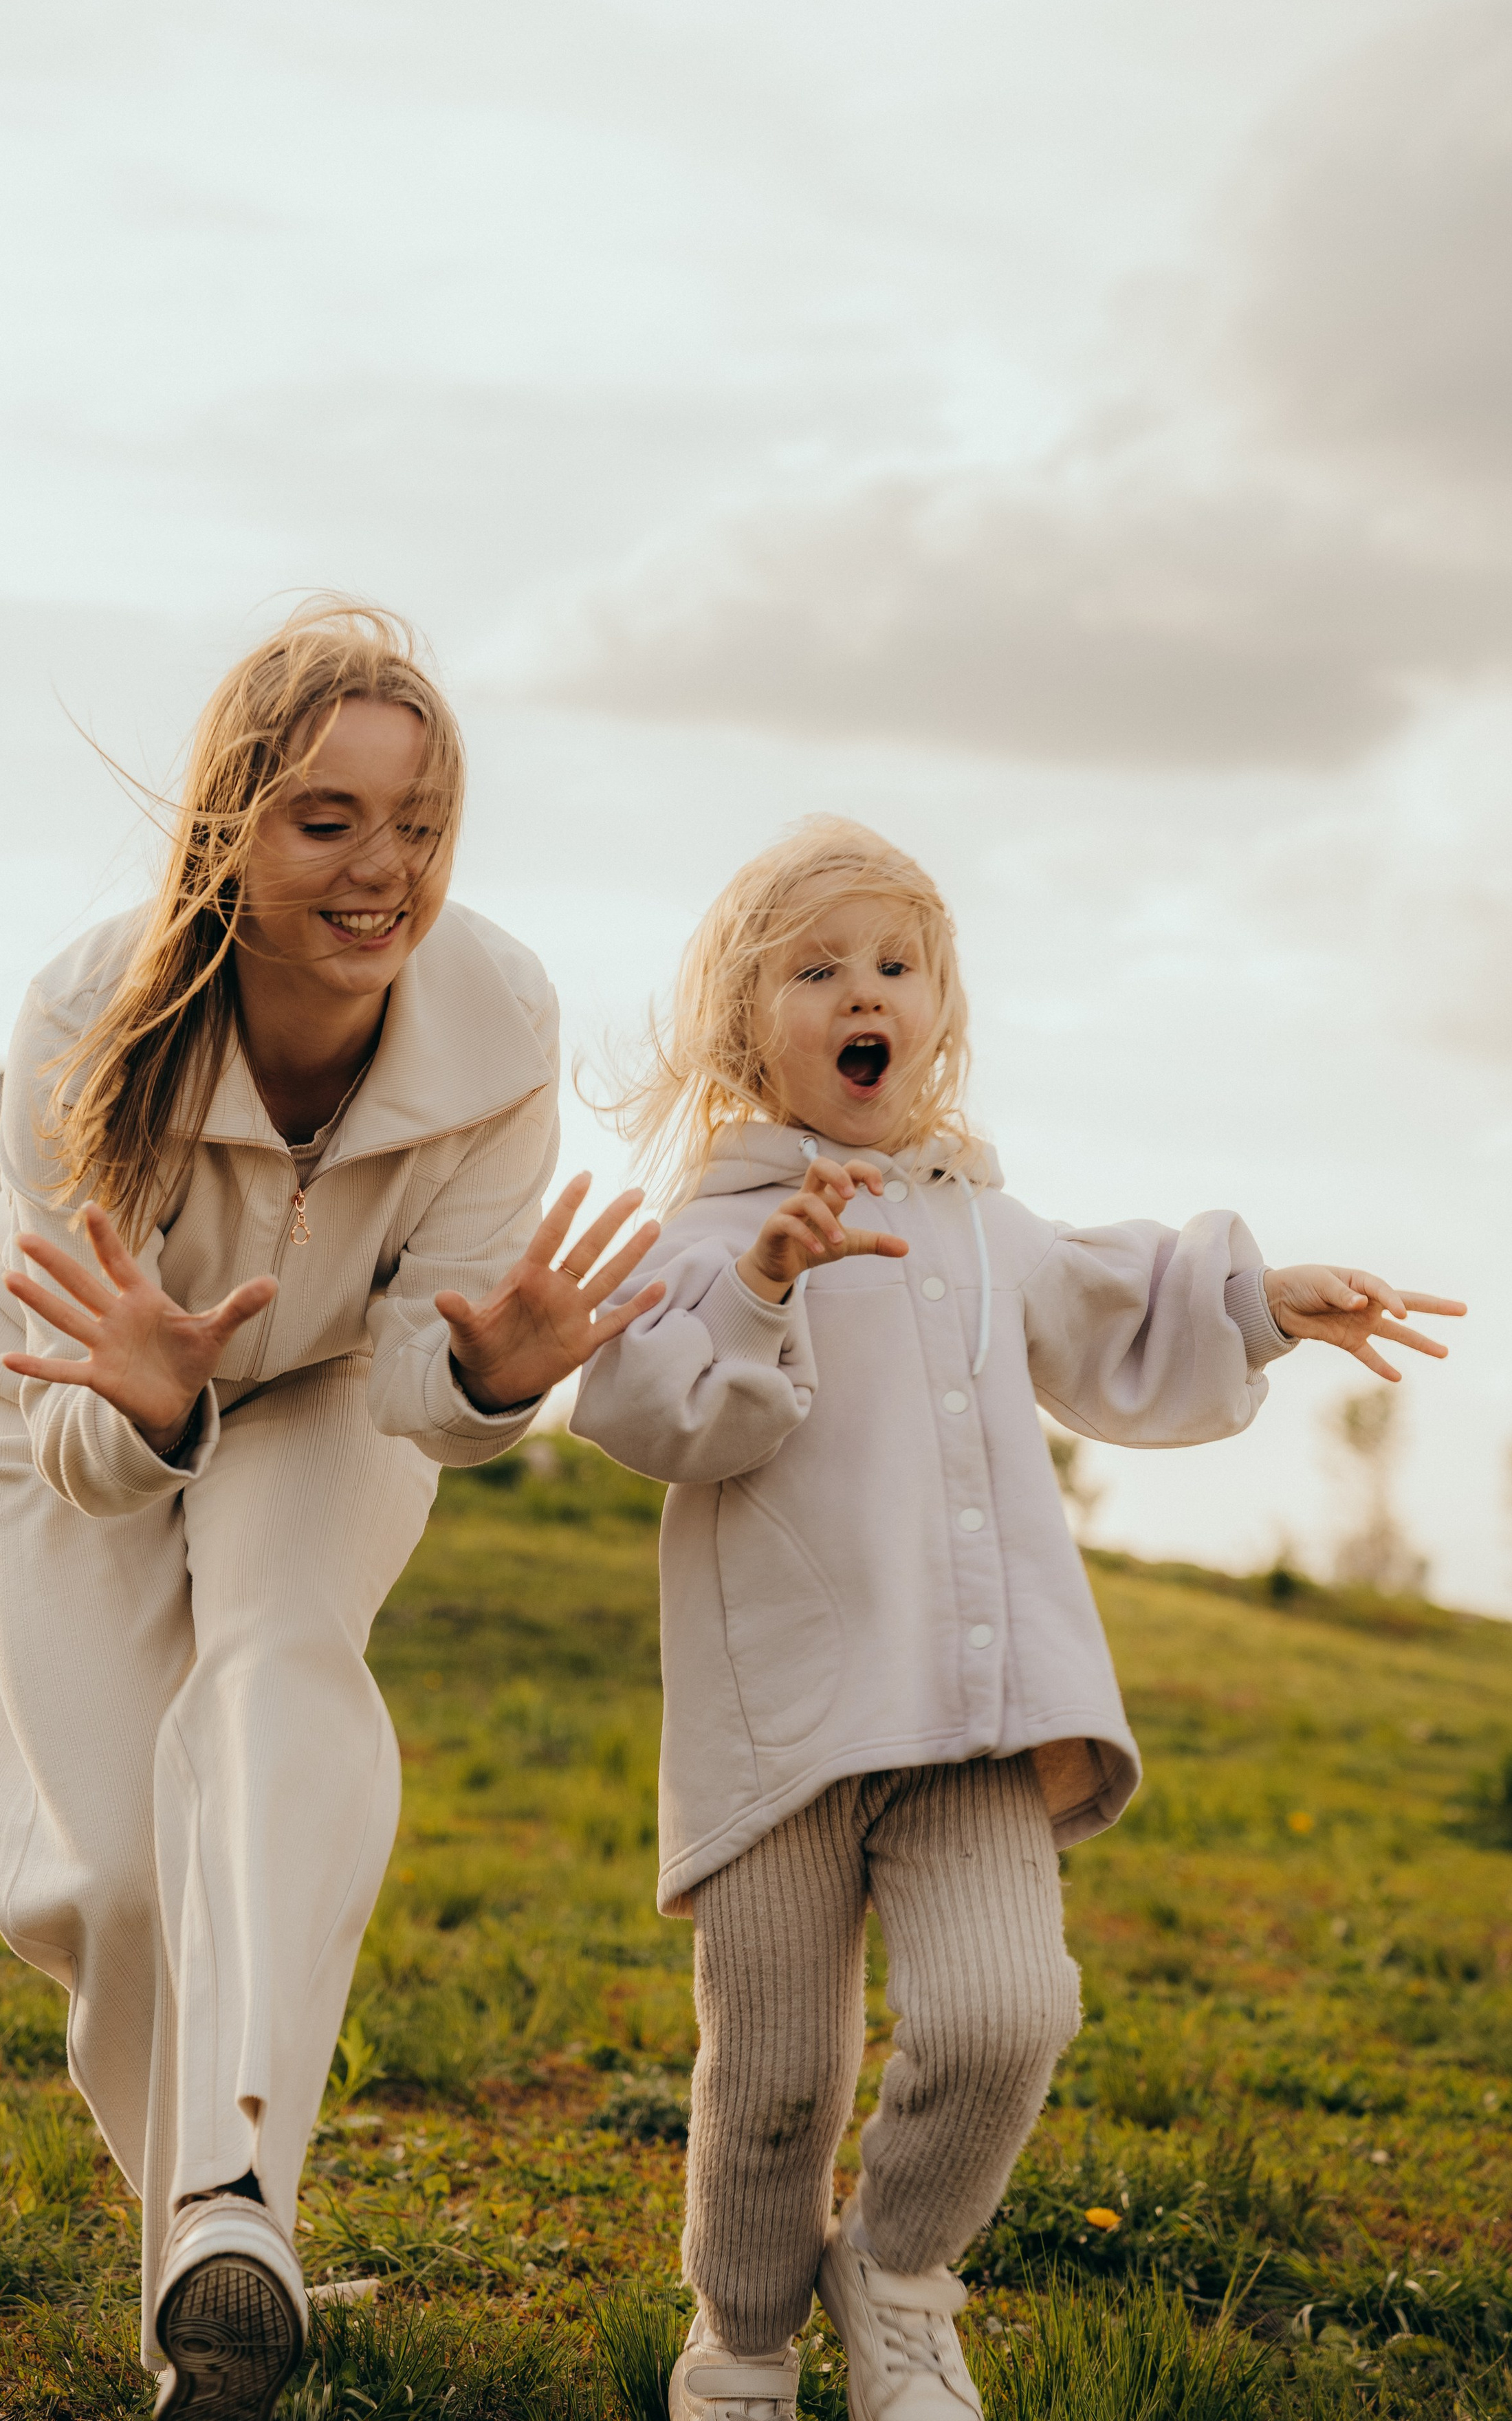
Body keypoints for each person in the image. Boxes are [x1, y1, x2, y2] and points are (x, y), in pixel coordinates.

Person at [571, 816, 1465, 2421]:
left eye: (897, 967)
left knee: (1007, 2014)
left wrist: (1263, 1300)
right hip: (779, 1728)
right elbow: (661, 1416)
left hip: (974, 1715)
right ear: (744, 1026)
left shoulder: (980, 1223)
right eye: (819, 967)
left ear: (937, 1012)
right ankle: (747, 2342)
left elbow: (1112, 1306)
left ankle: (899, 2280)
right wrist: (770, 1276)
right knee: (771, 2085)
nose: (867, 993)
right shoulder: (703, 1241)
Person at [0, 600, 660, 2421]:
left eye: (418, 824)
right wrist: (153, 1398)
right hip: (69, 1417)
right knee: (110, 1882)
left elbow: (431, 1375)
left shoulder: (498, 1022)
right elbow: (81, 1416)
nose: (383, 871)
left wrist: (496, 1375)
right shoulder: (78, 1023)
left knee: (271, 1668)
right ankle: (204, 2235)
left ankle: (235, 2211)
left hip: (328, 1394)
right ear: (229, 827)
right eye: (328, 821)